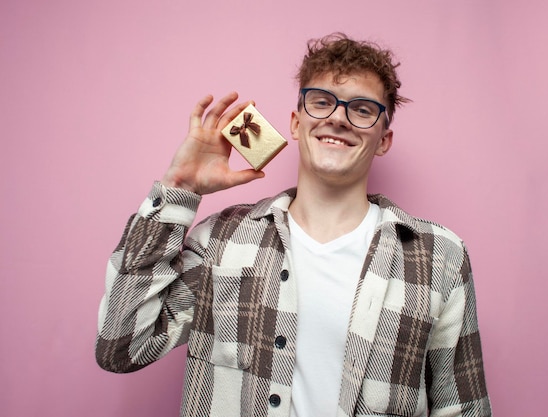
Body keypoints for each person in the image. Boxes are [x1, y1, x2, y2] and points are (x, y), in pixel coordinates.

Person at [96, 33, 492, 417]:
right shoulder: (222, 241)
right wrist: (178, 189)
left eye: (362, 109)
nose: (338, 117)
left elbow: (464, 409)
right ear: (296, 122)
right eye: (321, 102)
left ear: (384, 139)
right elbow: (121, 345)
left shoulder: (440, 257)